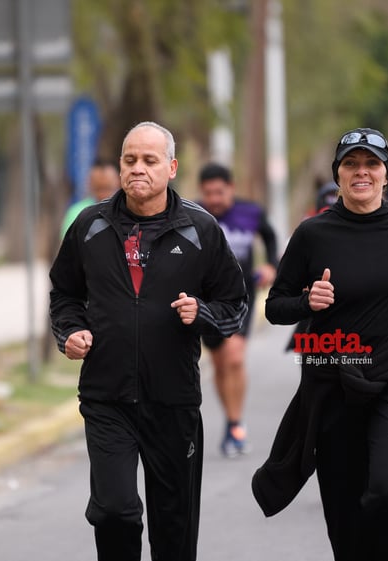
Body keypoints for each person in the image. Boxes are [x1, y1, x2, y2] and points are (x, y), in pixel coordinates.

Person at [252, 128, 388, 561]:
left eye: (371, 165)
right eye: (351, 164)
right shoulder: (313, 234)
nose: (361, 172)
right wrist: (307, 300)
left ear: (386, 176)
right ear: (338, 174)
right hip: (333, 382)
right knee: (346, 519)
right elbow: (275, 307)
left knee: (387, 489)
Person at [49, 121, 247, 561]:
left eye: (150, 160)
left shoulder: (201, 229)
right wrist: (70, 331)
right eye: (130, 160)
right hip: (107, 398)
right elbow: (64, 293)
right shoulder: (89, 226)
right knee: (114, 512)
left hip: (173, 401)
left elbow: (234, 304)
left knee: (174, 530)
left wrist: (203, 313)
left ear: (172, 167)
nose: (138, 168)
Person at [197, 162, 278, 457]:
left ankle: (236, 425)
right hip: (206, 300)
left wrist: (271, 264)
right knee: (219, 364)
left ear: (231, 188)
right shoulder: (195, 214)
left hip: (242, 295)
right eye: (208, 194)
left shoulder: (251, 212)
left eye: (219, 192)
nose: (214, 199)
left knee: (234, 356)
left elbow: (270, 238)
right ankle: (232, 421)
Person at [60, 157, 121, 237]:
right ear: (89, 185)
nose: (103, 195)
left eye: (108, 188)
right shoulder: (76, 213)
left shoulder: (128, 211)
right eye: (98, 189)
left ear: (119, 183)